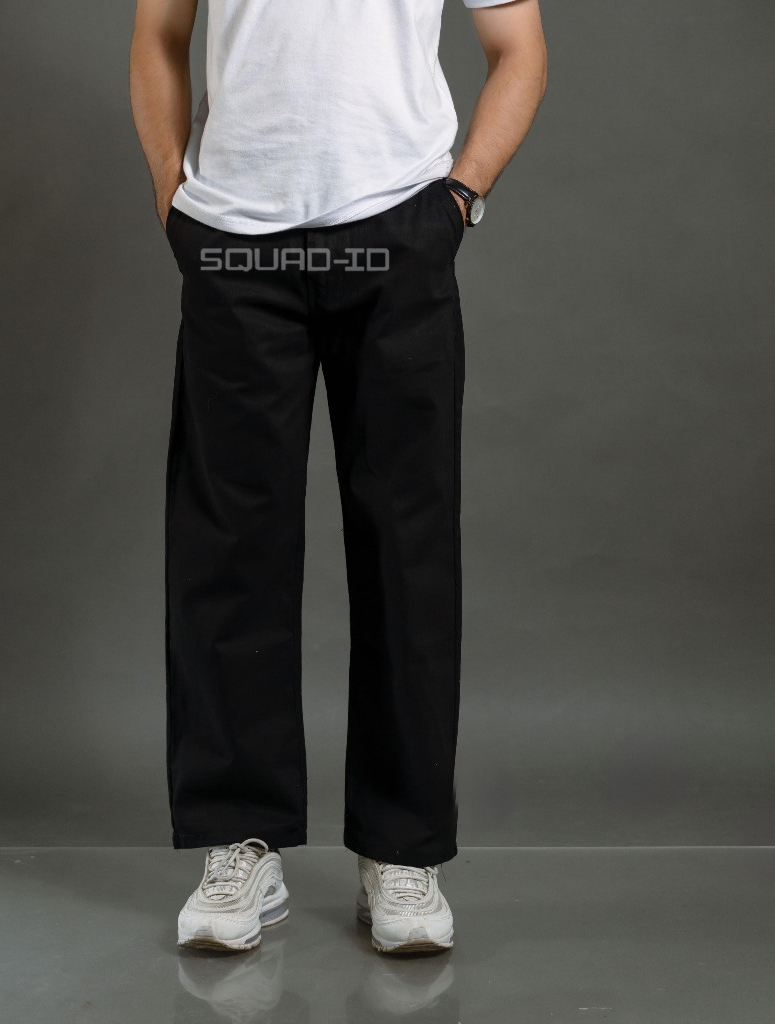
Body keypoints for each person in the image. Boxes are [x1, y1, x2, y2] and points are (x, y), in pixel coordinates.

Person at [130, 0, 547, 955]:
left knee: (408, 552)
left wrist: (459, 197)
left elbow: (519, 47)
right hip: (235, 240)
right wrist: (171, 196)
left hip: (398, 231)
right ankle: (239, 840)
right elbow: (157, 34)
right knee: (228, 553)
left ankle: (403, 851)